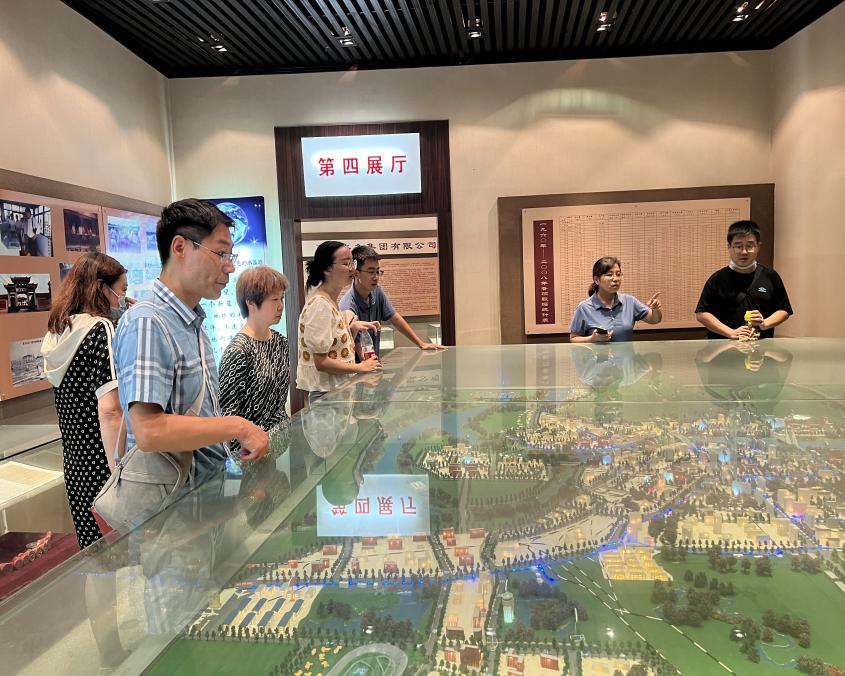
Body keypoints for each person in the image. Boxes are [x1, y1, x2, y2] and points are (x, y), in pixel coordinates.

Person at [114, 198, 269, 486]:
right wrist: (236, 426)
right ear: (180, 247)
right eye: (220, 253)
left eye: (230, 255)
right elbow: (148, 430)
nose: (229, 267)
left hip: (202, 492)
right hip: (172, 503)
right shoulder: (147, 321)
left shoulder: (191, 321)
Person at [40, 253, 128, 549]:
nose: (122, 299)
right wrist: (119, 474)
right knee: (122, 554)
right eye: (122, 290)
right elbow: (110, 410)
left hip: (76, 463)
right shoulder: (100, 329)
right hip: (104, 463)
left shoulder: (57, 332)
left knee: (93, 551)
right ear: (102, 288)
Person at [297, 241, 381, 403]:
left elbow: (335, 349)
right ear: (327, 268)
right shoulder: (320, 304)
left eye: (352, 263)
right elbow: (321, 362)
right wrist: (360, 367)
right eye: (345, 263)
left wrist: (352, 329)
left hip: (337, 392)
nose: (352, 269)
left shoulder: (330, 301)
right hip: (326, 395)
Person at [219, 266, 291, 458]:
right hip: (249, 453)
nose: (280, 306)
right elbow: (228, 416)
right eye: (274, 300)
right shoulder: (238, 351)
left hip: (279, 444)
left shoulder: (280, 341)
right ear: (250, 302)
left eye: (282, 298)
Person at [339, 245, 447, 358]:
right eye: (371, 272)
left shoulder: (377, 291)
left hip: (371, 362)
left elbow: (395, 319)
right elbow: (357, 346)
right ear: (356, 273)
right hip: (357, 366)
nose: (376, 277)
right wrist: (369, 363)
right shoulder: (348, 306)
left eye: (378, 271)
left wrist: (421, 344)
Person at [695, 220, 793, 339]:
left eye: (749, 246)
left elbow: (784, 309)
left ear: (758, 246)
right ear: (729, 247)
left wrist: (764, 323)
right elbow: (702, 314)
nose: (744, 252)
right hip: (725, 346)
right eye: (738, 246)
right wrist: (731, 332)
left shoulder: (770, 276)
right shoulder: (717, 279)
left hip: (761, 346)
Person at [569, 256, 662, 342]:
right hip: (598, 355)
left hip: (626, 355)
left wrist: (655, 309)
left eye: (618, 274)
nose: (615, 279)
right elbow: (573, 339)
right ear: (596, 280)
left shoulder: (629, 301)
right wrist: (592, 339)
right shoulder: (584, 307)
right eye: (609, 275)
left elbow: (654, 320)